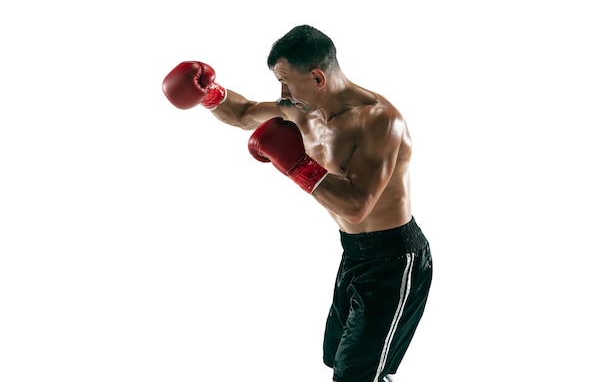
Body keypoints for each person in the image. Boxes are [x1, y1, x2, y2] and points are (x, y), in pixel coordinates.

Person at [162, 25, 433, 382]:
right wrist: (209, 94)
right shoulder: (302, 110)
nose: (282, 93)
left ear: (318, 77)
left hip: (395, 262)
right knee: (339, 358)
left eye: (287, 82)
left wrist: (297, 165)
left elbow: (356, 206)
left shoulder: (379, 120)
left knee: (356, 375)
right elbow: (243, 113)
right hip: (354, 253)